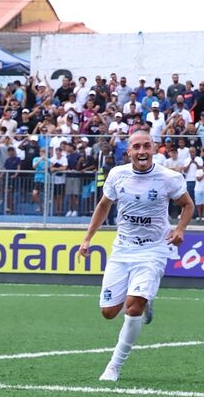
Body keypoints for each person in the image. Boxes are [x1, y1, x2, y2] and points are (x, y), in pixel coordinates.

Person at [79, 130, 194, 382]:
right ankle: (144, 302)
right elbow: (104, 205)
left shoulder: (168, 177)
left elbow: (187, 204)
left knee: (132, 308)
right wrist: (88, 238)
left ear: (154, 149)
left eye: (146, 146)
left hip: (152, 250)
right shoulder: (117, 175)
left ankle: (114, 366)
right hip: (122, 249)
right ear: (128, 152)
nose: (142, 151)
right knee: (108, 312)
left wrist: (180, 228)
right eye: (136, 147)